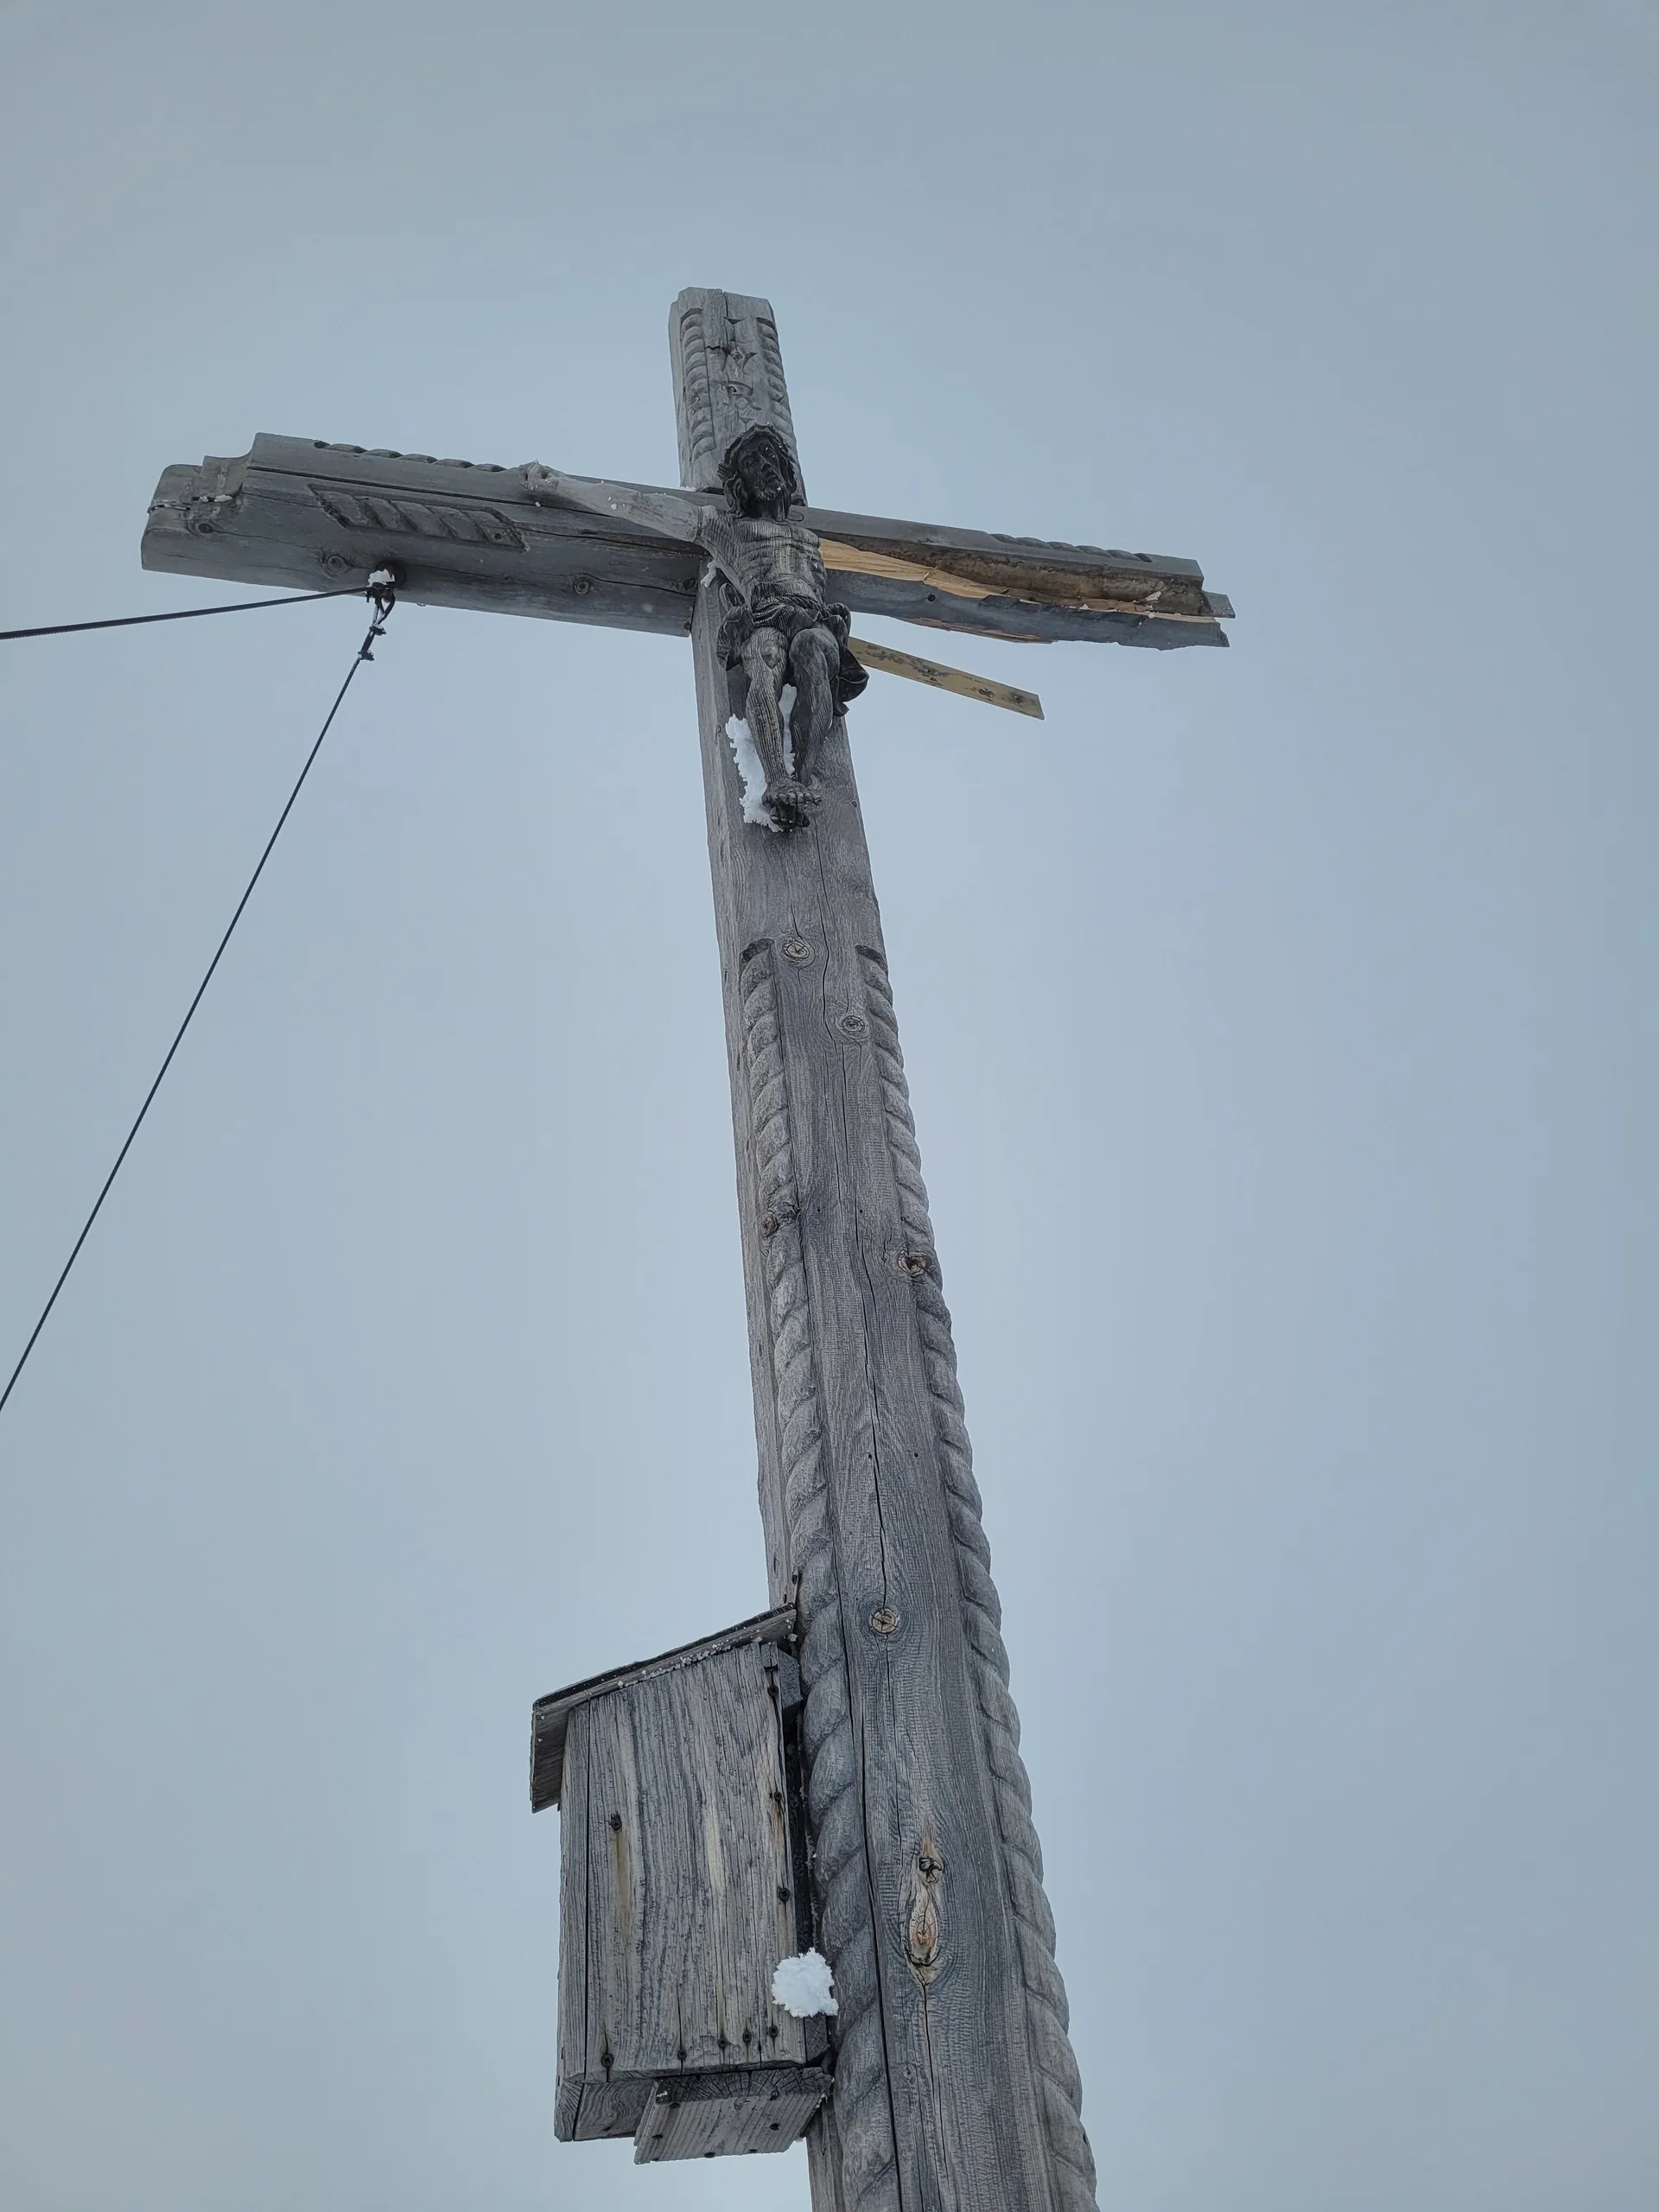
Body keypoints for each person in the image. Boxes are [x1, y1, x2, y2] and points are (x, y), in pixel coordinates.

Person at [523, 426, 866, 830]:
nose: (766, 467)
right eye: (753, 464)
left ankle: (803, 780)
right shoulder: (728, 528)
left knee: (811, 648)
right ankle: (777, 778)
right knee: (767, 656)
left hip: (812, 620)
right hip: (765, 614)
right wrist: (563, 486)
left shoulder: (811, 539)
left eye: (769, 455)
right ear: (741, 485)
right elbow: (644, 507)